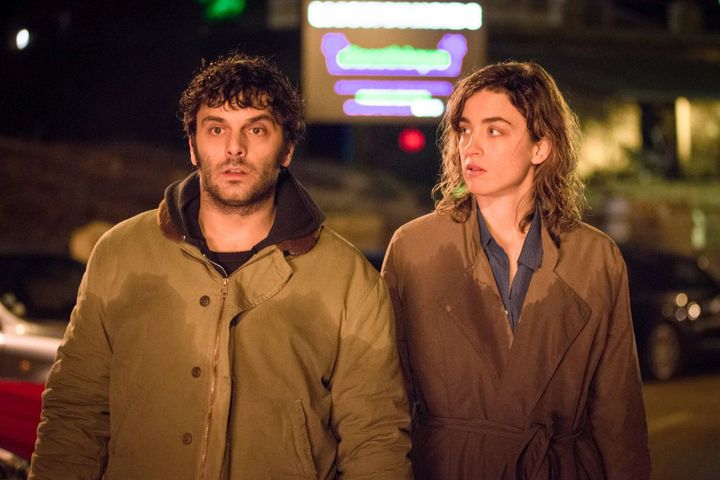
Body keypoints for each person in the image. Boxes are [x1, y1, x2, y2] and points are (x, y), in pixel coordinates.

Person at [29, 53, 412, 479]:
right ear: (193, 146)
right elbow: (76, 410)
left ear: (286, 149)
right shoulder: (121, 253)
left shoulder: (348, 279)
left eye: (257, 129)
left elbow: (375, 438)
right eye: (216, 129)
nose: (235, 148)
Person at [381, 61, 650, 479]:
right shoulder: (415, 249)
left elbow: (618, 411)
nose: (471, 146)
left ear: (541, 146)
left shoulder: (595, 258)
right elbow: (384, 395)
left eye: (494, 130)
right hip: (448, 466)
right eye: (464, 130)